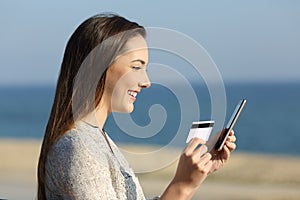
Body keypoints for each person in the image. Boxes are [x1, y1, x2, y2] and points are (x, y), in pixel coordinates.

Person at [37, 13, 236, 200]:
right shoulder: (78, 150)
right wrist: (181, 186)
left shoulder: (97, 140)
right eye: (136, 67)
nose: (146, 81)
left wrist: (192, 178)